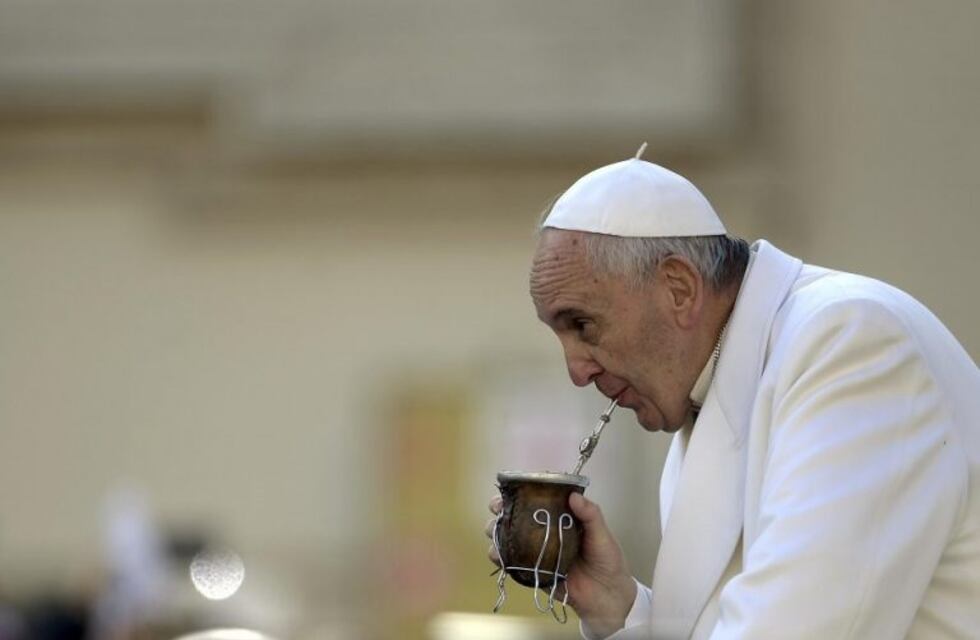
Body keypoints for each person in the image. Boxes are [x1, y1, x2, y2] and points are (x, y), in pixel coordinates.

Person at [486, 147, 980, 639]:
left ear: (679, 288)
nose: (576, 371)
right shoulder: (707, 394)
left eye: (582, 324)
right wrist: (620, 611)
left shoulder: (849, 341)